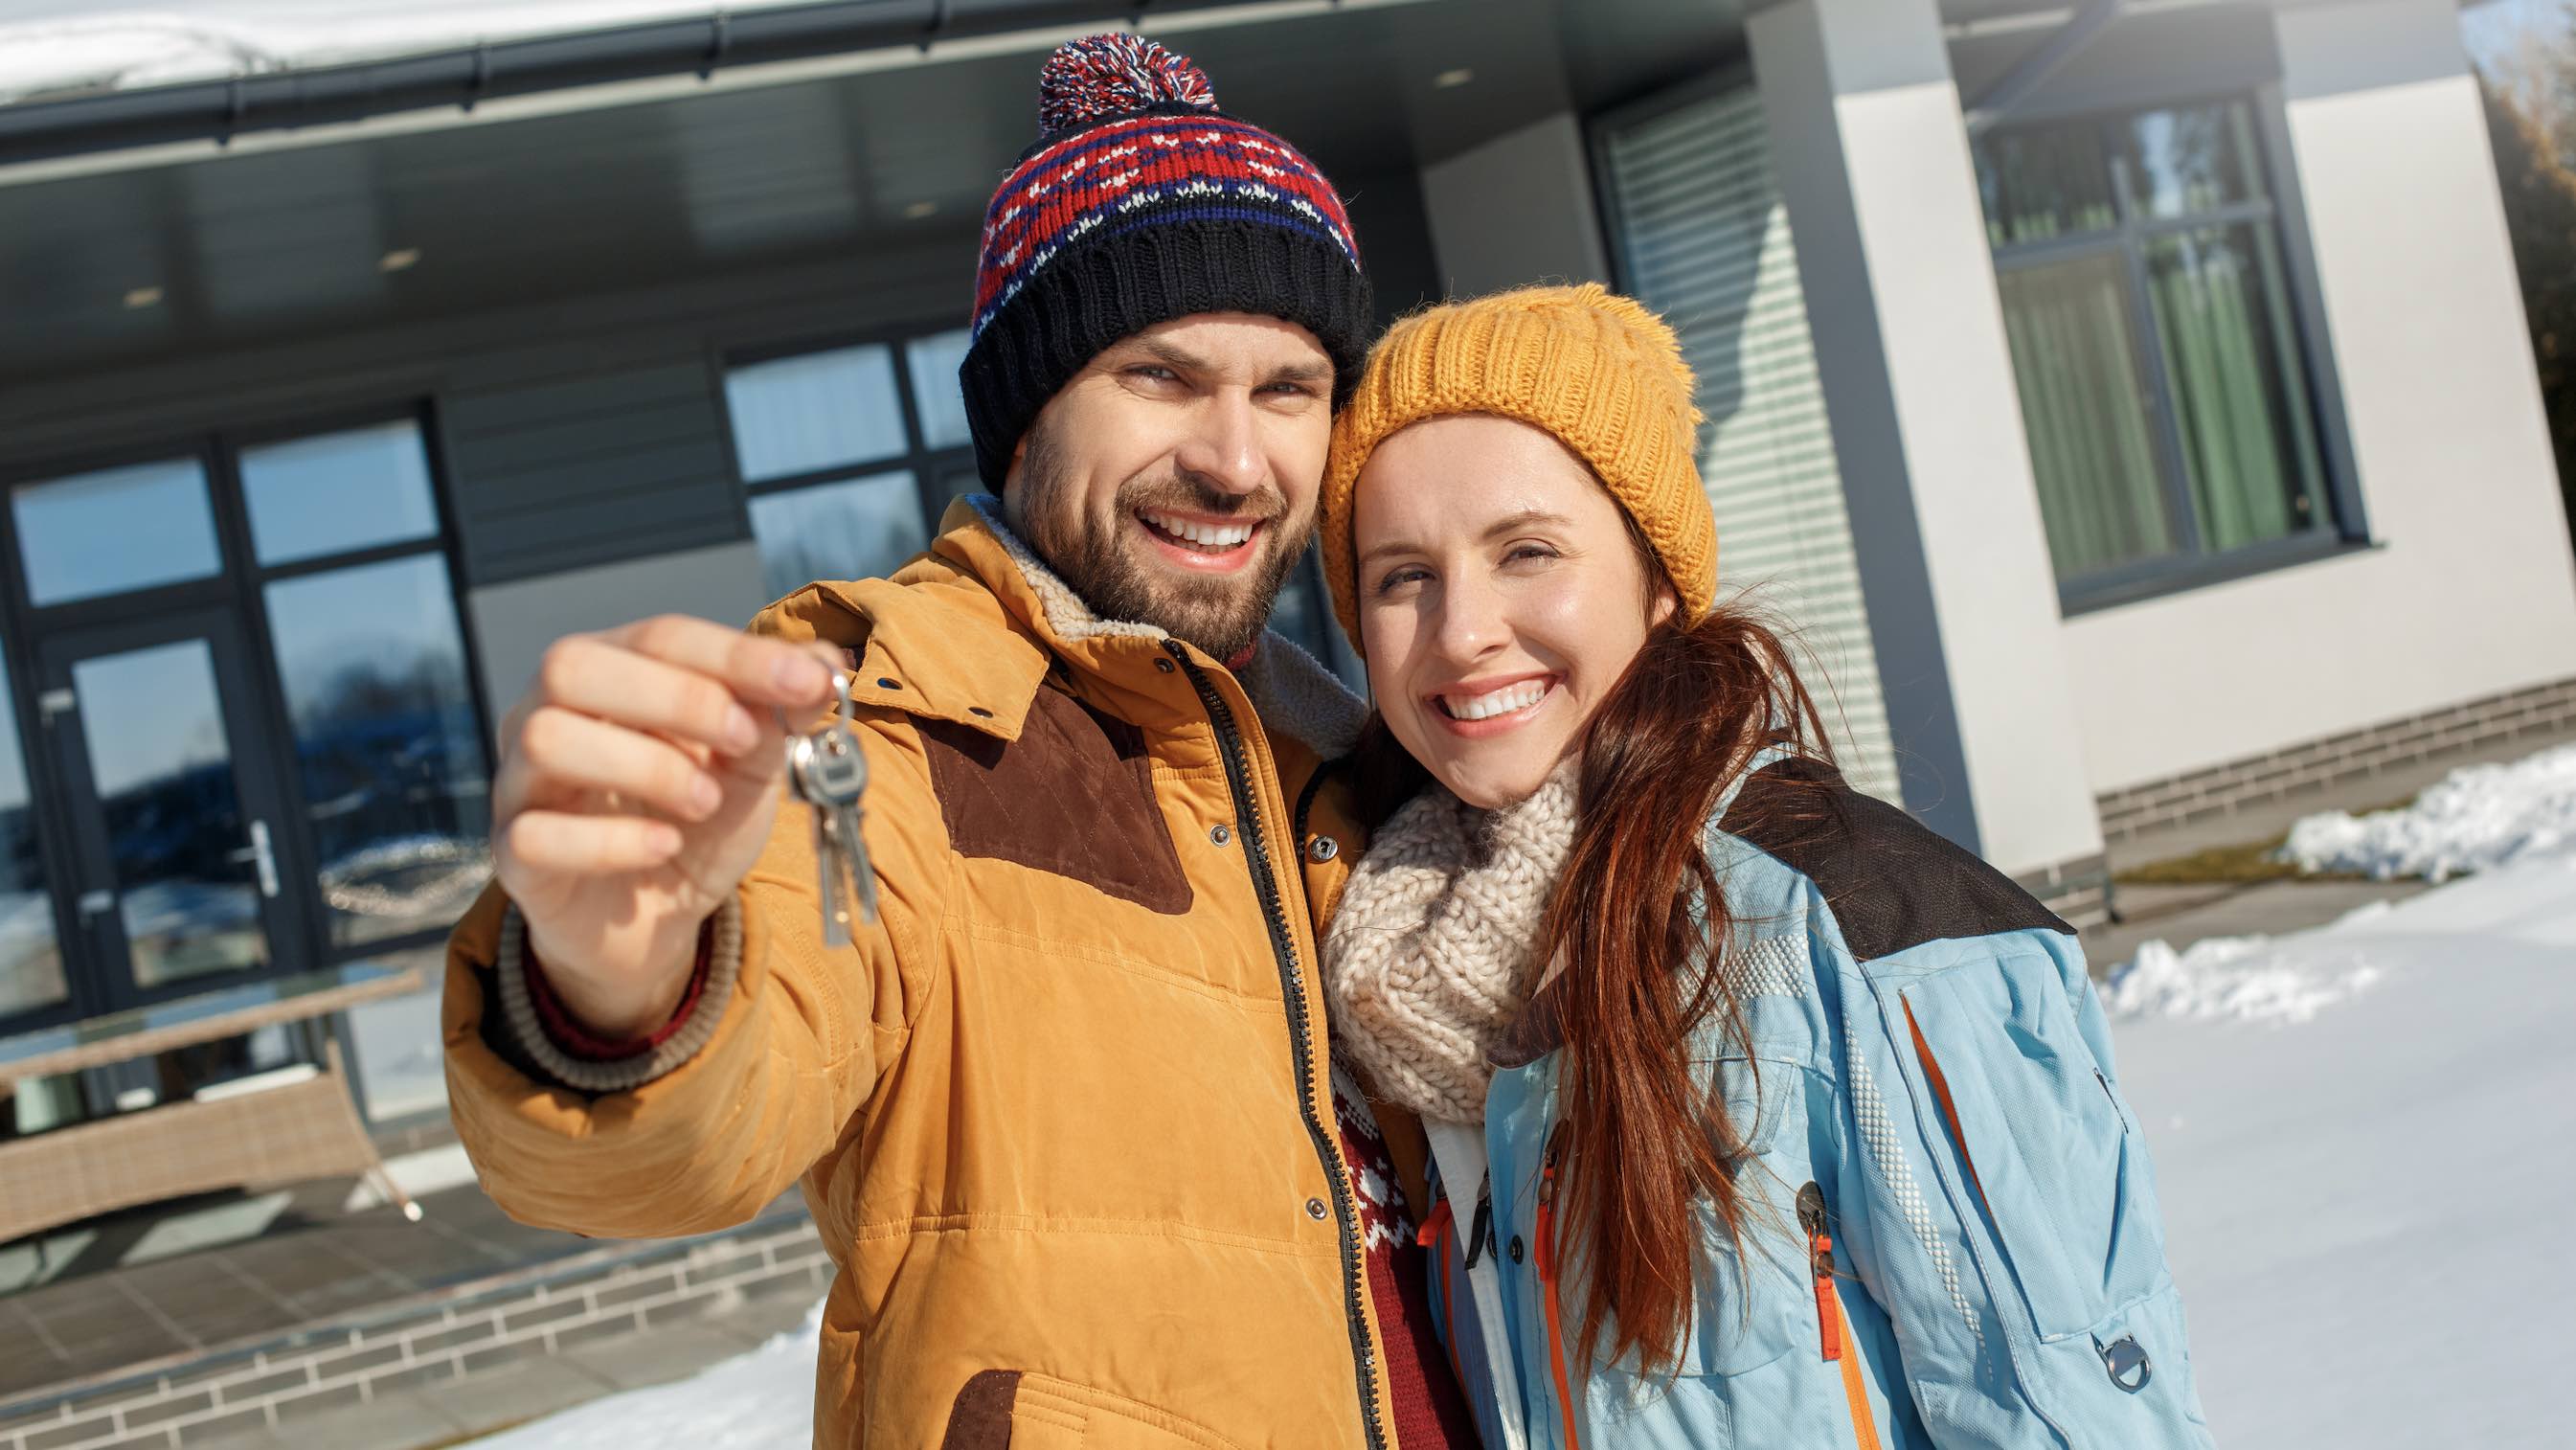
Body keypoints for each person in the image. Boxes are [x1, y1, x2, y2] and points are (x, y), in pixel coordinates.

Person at [442, 35, 1475, 1449]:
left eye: (1287, 387)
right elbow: (693, 1139)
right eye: (1160, 377)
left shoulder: (1360, 760)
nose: (1236, 460)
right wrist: (616, 984)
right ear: (1026, 413)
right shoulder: (888, 739)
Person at [1313, 283, 2214, 1448]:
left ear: (1656, 572)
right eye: (1400, 576)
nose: (1459, 630)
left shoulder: (1854, 926)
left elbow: (2064, 1414)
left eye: (1525, 550)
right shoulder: (1374, 972)